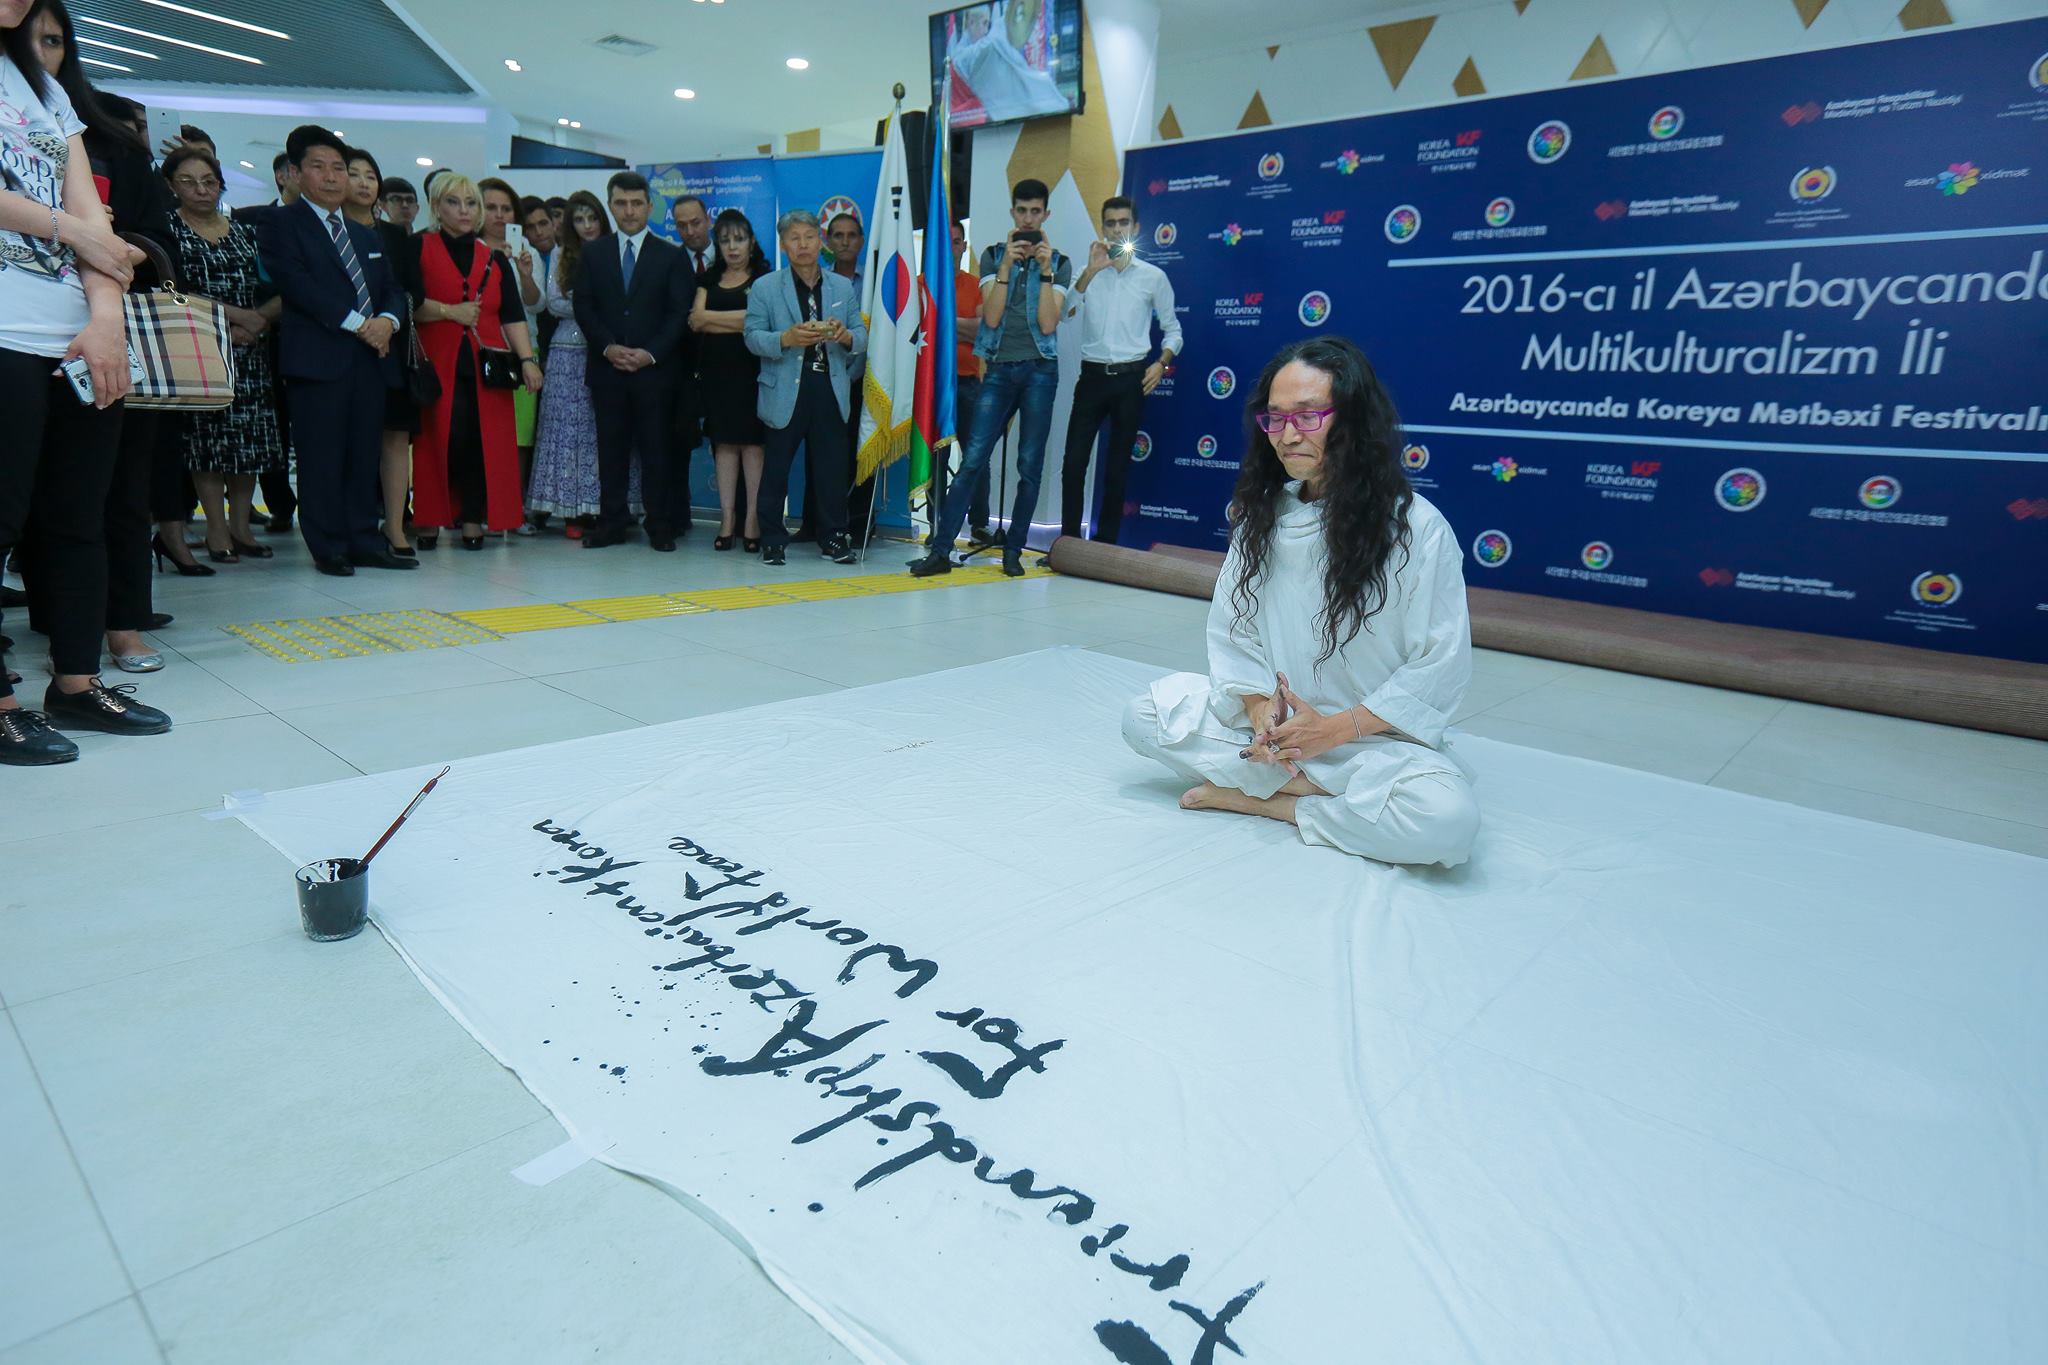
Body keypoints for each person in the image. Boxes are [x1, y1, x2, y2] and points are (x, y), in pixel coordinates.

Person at [1120, 337, 1479, 868]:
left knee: (1445, 824)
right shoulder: (1262, 517)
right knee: (1144, 716)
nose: (1288, 436)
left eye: (1308, 417)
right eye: (1275, 418)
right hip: (1276, 738)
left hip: (1371, 740)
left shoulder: (1416, 528)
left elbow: (1439, 665)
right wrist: (1259, 710)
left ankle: (1273, 804)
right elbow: (1234, 631)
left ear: (1353, 420)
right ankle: (1315, 793)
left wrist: (1333, 731)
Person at [0, 0, 172, 764]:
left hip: (72, 332)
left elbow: (93, 217)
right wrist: (71, 230)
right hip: (3, 331)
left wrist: (105, 319)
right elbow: (79, 226)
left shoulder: (40, 84)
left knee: (79, 516)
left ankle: (75, 681)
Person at [255, 124, 411, 577]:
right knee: (321, 457)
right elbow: (297, 285)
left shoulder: (365, 234)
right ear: (295, 173)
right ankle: (328, 546)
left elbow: (392, 289)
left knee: (363, 455)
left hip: (371, 359)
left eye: (338, 168)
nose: (331, 177)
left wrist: (388, 322)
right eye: (319, 167)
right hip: (318, 360)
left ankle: (365, 540)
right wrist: (361, 325)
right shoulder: (281, 223)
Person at [911, 177, 1067, 579]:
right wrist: (1005, 269)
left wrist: (1045, 272)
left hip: (1040, 371)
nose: (1028, 219)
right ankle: (941, 550)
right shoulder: (994, 255)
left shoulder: (1060, 262)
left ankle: (1014, 550)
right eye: (1022, 211)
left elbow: (1048, 324)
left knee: (1029, 465)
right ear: (1012, 213)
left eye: (1035, 212)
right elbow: (992, 318)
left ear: (1046, 214)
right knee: (973, 460)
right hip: (998, 369)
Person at [401, 172, 541, 550]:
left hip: (488, 365)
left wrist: (528, 360)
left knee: (483, 442)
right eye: (453, 202)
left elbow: (512, 315)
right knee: (437, 440)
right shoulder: (418, 247)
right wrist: (450, 311)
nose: (464, 211)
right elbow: (407, 302)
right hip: (435, 361)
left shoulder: (495, 258)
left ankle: (473, 517)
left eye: (470, 203)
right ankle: (429, 515)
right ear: (436, 207)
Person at [165, 144, 285, 565]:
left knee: (247, 442)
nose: (201, 190)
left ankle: (241, 526)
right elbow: (172, 292)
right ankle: (216, 529)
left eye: (209, 181)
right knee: (208, 443)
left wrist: (258, 320)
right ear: (172, 186)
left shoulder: (245, 231)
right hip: (198, 347)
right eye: (188, 182)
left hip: (249, 348)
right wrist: (233, 319)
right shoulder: (169, 230)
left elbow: (278, 287)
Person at [572, 170, 693, 550]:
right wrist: (608, 347)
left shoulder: (671, 255)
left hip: (655, 372)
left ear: (649, 206)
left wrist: (650, 353)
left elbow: (679, 313)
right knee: (611, 451)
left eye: (637, 203)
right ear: (610, 206)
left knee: (657, 451)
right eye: (621, 203)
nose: (629, 210)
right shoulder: (593, 253)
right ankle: (611, 523)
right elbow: (584, 307)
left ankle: (660, 525)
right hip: (607, 369)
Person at [743, 209, 866, 566]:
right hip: (784, 387)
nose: (803, 245)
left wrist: (845, 336)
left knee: (832, 469)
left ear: (820, 241)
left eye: (809, 237)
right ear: (783, 245)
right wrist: (785, 338)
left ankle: (833, 538)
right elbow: (751, 337)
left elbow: (862, 335)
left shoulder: (841, 286)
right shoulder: (766, 287)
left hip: (829, 385)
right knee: (776, 468)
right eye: (794, 238)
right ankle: (772, 540)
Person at [1060, 195, 1179, 545]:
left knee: (1116, 469)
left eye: (1123, 222)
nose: (1116, 229)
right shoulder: (1089, 273)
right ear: (1102, 228)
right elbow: (1064, 314)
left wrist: (1162, 363)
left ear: (1135, 228)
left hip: (1131, 380)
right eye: (1110, 223)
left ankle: (1105, 547)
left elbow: (1173, 329)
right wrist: (1090, 271)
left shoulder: (1153, 277)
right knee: (1073, 465)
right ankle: (1068, 543)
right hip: (1092, 378)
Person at [529, 190, 635, 535]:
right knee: (567, 431)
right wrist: (589, 303)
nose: (587, 226)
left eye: (592, 218)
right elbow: (553, 304)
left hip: (607, 348)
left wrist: (595, 306)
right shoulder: (563, 254)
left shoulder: (616, 251)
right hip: (568, 350)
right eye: (579, 219)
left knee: (605, 431)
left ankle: (612, 506)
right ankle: (571, 509)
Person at [346, 148, 419, 554]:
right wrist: (362, 325)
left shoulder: (394, 235)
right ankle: (349, 525)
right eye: (353, 174)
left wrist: (386, 322)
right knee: (351, 441)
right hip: (344, 345)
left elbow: (413, 291)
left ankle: (394, 525)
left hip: (391, 346)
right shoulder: (327, 230)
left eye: (370, 176)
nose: (362, 183)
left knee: (394, 437)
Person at [689, 208, 770, 552]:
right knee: (723, 445)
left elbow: (759, 321)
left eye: (739, 239)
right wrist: (738, 321)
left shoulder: (763, 279)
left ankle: (751, 519)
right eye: (725, 241)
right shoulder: (708, 279)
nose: (732, 247)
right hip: (716, 374)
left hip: (753, 373)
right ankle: (726, 520)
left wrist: (716, 319)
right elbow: (696, 321)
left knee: (752, 446)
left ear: (751, 242)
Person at [825, 210, 878, 547]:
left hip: (866, 382)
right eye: (838, 235)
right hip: (828, 379)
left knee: (862, 453)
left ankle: (859, 525)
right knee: (825, 455)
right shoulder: (819, 280)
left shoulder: (874, 282)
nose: (845, 241)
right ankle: (819, 524)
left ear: (861, 241)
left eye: (851, 235)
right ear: (828, 242)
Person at [513, 193, 557, 532]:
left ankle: (528, 505)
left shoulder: (561, 256)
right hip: (511, 347)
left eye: (544, 223)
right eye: (530, 226)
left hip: (545, 350)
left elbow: (538, 303)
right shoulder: (511, 252)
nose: (539, 231)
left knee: (530, 436)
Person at [944, 217, 990, 539]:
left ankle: (979, 524)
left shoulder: (977, 286)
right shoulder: (919, 285)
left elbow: (982, 332)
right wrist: (964, 326)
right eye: (944, 242)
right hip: (931, 387)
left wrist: (943, 321)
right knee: (934, 458)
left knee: (977, 456)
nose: (950, 248)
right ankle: (938, 522)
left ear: (964, 246)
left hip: (969, 383)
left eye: (956, 241)